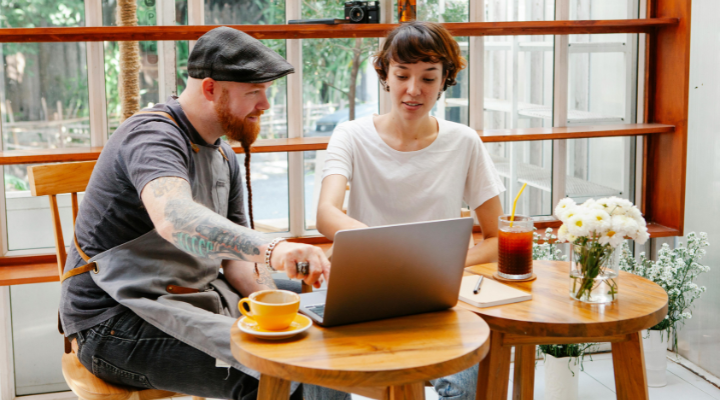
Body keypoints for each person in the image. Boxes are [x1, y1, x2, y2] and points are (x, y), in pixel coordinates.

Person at [61, 27, 348, 400]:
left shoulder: (223, 154)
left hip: (194, 294)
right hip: (112, 322)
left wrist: (274, 306)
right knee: (274, 375)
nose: (265, 105)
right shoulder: (151, 136)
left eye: (266, 91)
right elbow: (175, 219)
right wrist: (274, 248)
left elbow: (239, 265)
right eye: (254, 92)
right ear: (210, 89)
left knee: (332, 320)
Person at [316, 21, 506, 399]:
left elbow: (499, 238)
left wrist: (435, 269)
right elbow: (326, 214)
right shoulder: (351, 135)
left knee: (465, 384)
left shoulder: (463, 141)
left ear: (445, 80)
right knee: (320, 374)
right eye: (402, 75)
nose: (413, 90)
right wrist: (390, 251)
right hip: (365, 292)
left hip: (437, 300)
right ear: (385, 74)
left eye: (428, 78)